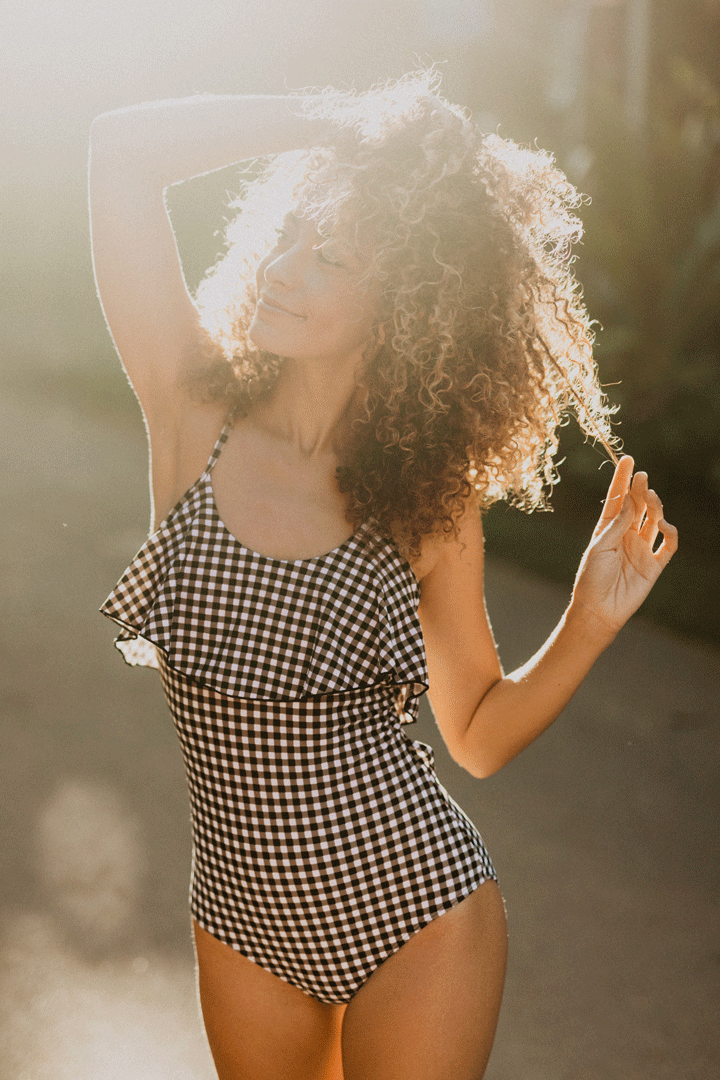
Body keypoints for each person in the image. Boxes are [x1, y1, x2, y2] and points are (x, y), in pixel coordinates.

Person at [90, 71, 677, 1080]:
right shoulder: (190, 408)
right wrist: (339, 124)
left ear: (402, 304)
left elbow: (476, 735)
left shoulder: (427, 503)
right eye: (289, 235)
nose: (282, 268)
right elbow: (119, 151)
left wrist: (587, 619)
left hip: (415, 910)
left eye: (330, 257)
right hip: (238, 920)